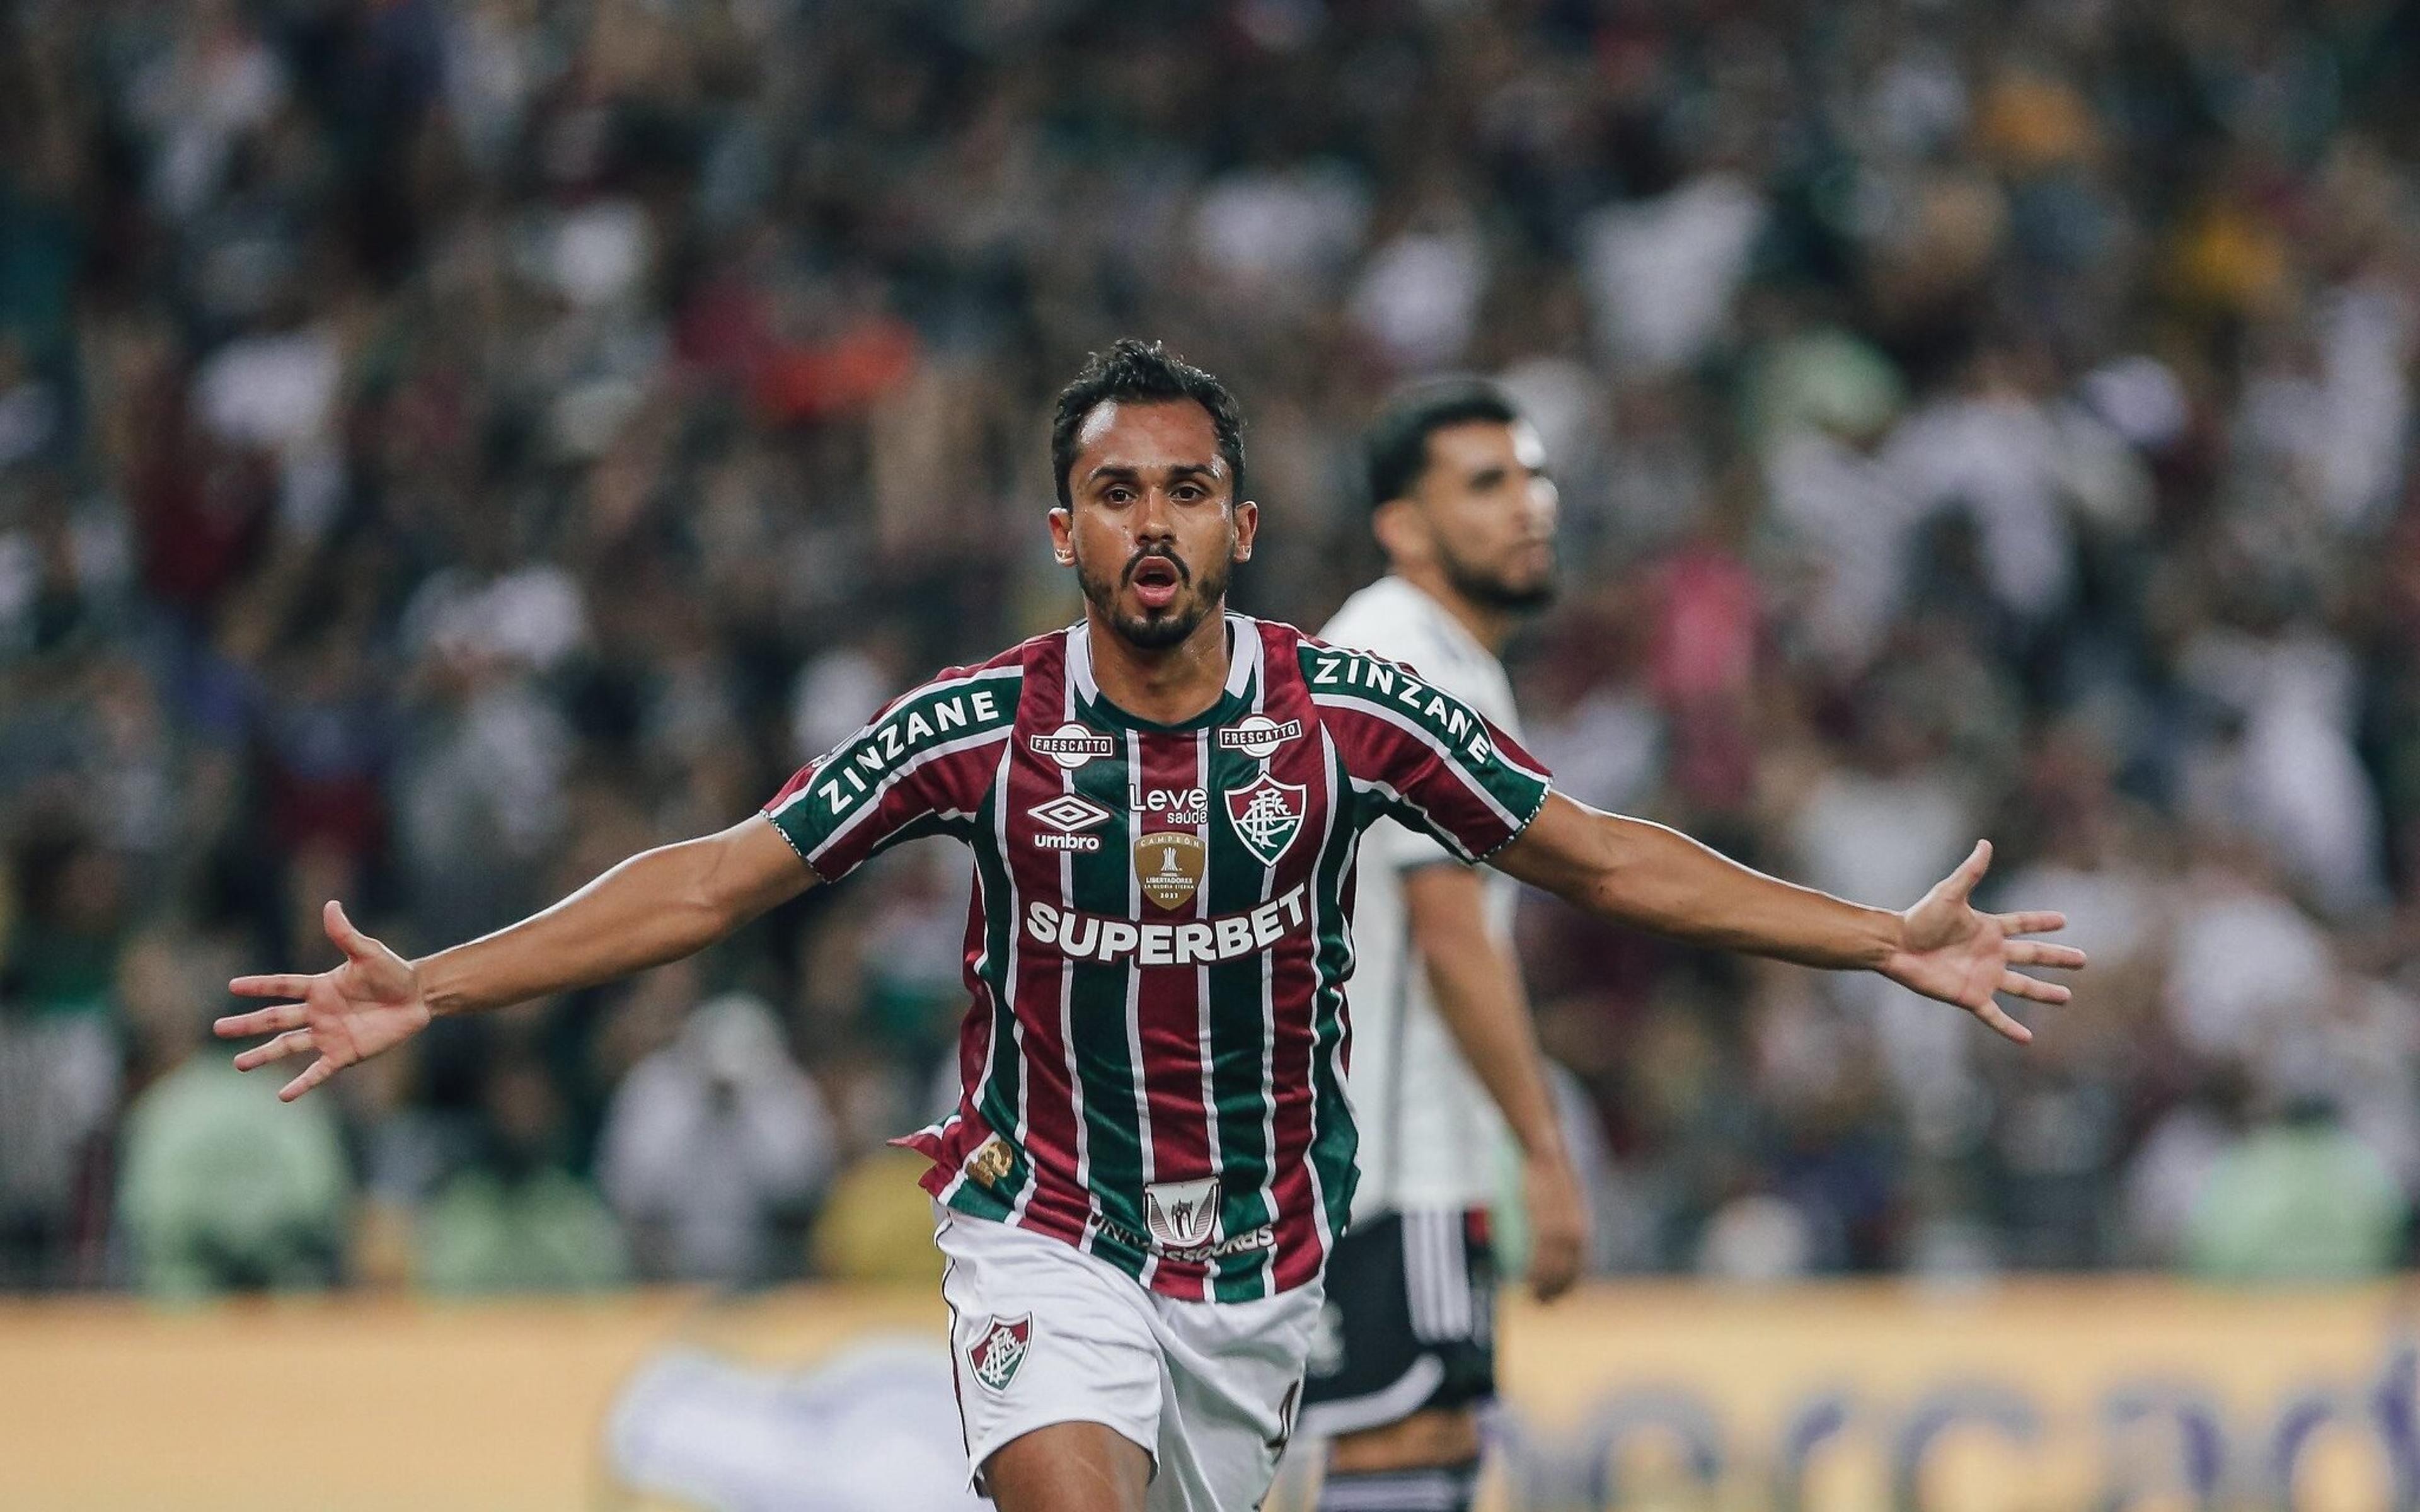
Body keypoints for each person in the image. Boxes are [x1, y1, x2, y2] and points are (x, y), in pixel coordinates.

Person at [216, 340, 2083, 1512]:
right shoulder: (980, 728)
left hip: (1267, 1275)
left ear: (1246, 522)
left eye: (1187, 486)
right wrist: (438, 986)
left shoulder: (1349, 718)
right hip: (1045, 1238)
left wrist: (1876, 941)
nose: (1154, 520)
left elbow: (1593, 855)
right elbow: (716, 876)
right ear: (1065, 534)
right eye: (1117, 492)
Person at [1298, 379, 1581, 1510]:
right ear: (1402, 526)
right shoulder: (1396, 659)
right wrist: (1546, 1156)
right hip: (1391, 1158)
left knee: (1428, 1440)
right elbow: (1451, 934)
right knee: (1397, 1443)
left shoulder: (1450, 658)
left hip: (1397, 1157)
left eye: (1533, 475)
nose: (1530, 505)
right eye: (1487, 484)